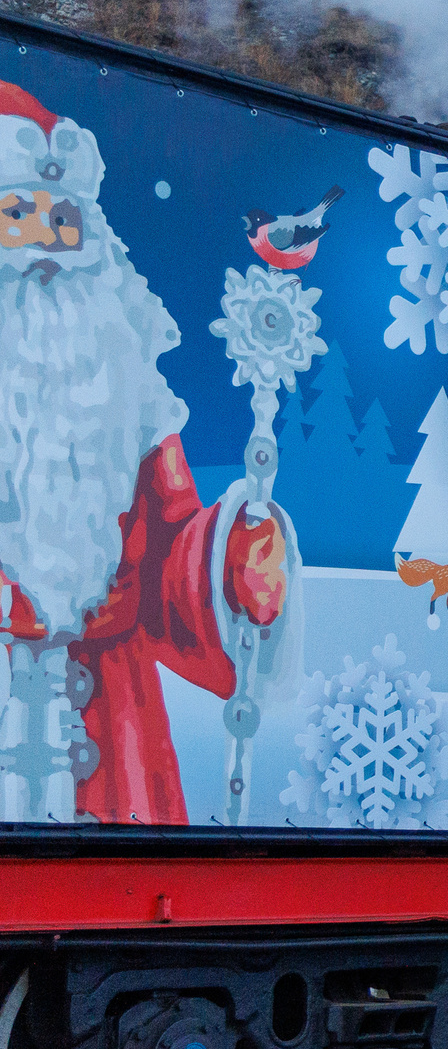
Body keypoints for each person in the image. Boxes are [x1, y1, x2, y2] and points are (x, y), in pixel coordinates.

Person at [0, 81, 285, 824]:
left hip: (106, 716)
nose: (42, 245)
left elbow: (168, 556)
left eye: (62, 220)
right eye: (16, 215)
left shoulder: (127, 400)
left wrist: (233, 559)